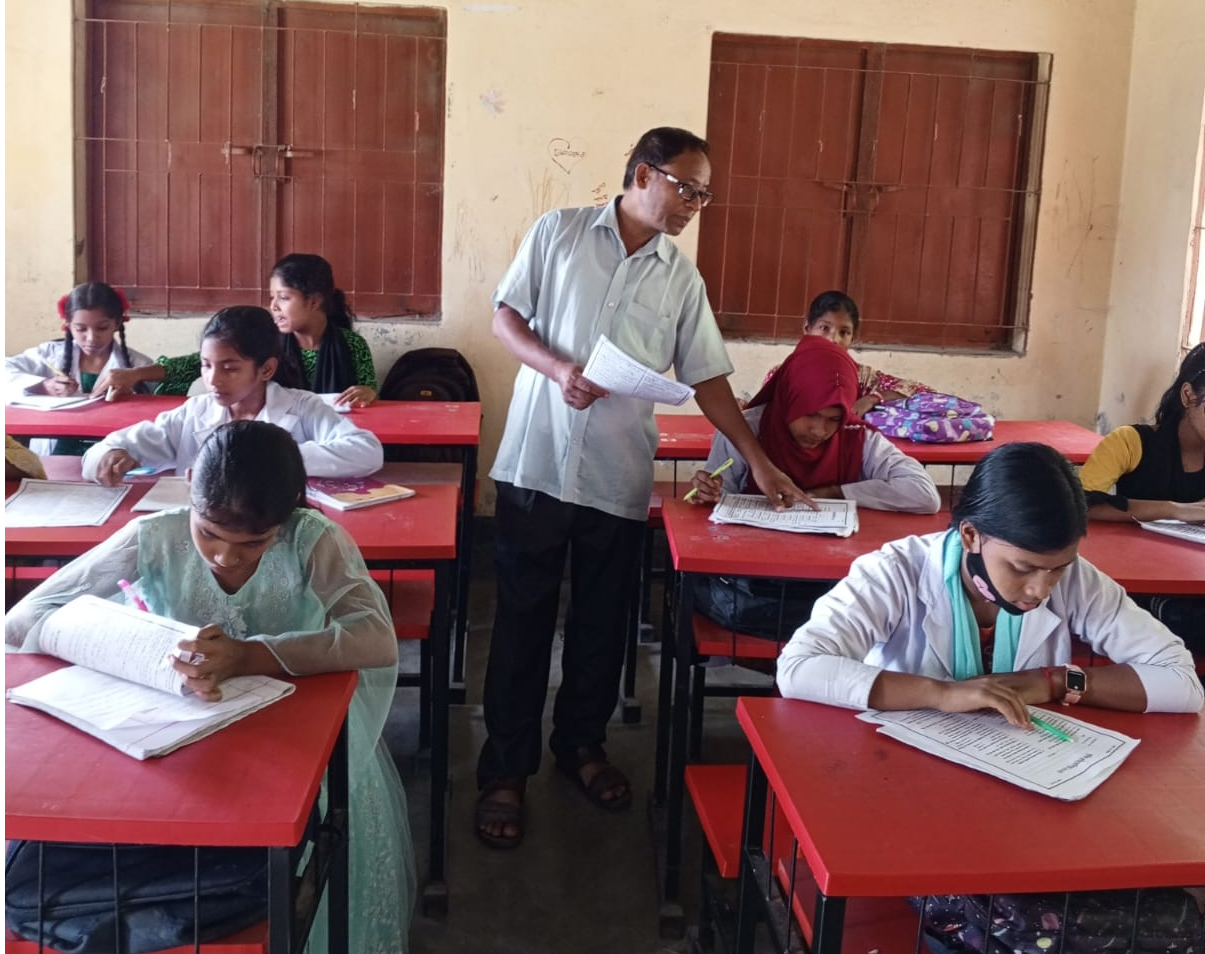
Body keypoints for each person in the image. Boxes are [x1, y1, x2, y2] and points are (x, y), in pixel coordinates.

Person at [476, 125, 808, 850]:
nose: (693, 205)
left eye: (704, 195)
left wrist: (757, 459)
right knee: (522, 624)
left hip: (617, 473)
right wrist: (558, 369)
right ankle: (504, 769)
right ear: (642, 174)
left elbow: (707, 377)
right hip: (537, 462)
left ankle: (581, 745)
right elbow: (505, 318)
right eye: (686, 188)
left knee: (602, 623)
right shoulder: (560, 233)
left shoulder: (680, 279)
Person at [776, 442, 1203, 954]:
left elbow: (1181, 680)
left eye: (1058, 568)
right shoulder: (894, 572)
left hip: (1027, 801)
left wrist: (1053, 682)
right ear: (971, 535)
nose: (1042, 589)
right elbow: (799, 667)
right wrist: (941, 693)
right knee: (1016, 923)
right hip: (903, 798)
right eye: (1022, 568)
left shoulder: (1073, 581)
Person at [5, 420, 414, 953]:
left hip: (292, 740)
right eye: (209, 533)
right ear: (190, 487)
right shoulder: (157, 534)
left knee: (287, 855)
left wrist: (249, 655)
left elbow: (374, 639)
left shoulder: (313, 540)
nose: (225, 556)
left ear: (288, 513)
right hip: (174, 734)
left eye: (253, 543)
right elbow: (23, 620)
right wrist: (129, 646)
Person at [688, 334, 941, 640]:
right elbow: (717, 501)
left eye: (833, 418)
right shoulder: (747, 430)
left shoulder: (855, 436)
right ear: (789, 397)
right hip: (759, 578)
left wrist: (836, 492)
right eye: (810, 414)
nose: (820, 430)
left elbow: (925, 494)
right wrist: (710, 492)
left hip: (829, 577)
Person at [81, 306, 383, 485]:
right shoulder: (194, 413)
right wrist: (108, 456)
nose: (213, 380)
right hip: (201, 539)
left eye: (230, 368)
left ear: (266, 369)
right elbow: (99, 452)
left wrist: (267, 459)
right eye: (206, 365)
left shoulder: (302, 407)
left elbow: (367, 452)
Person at [106, 254, 379, 406]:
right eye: (272, 297)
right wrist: (136, 374)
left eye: (284, 298)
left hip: (330, 438)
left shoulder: (352, 345)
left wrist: (368, 394)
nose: (273, 306)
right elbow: (193, 365)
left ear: (314, 301)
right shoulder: (265, 338)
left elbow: (370, 394)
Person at [1079, 343, 1205, 650]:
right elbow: (1079, 503)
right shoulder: (1132, 442)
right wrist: (1176, 510)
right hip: (1142, 587)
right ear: (1188, 396)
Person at [4, 281, 155, 454]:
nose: (91, 338)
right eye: (80, 329)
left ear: (117, 323)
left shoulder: (138, 365)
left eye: (102, 328)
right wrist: (43, 386)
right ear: (68, 324)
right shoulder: (49, 354)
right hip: (54, 454)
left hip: (111, 455)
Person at [759, 291, 935, 416]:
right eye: (824, 328)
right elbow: (762, 416)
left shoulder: (862, 377)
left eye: (844, 332)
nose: (833, 339)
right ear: (807, 328)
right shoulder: (782, 374)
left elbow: (926, 395)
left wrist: (873, 398)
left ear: (853, 338)